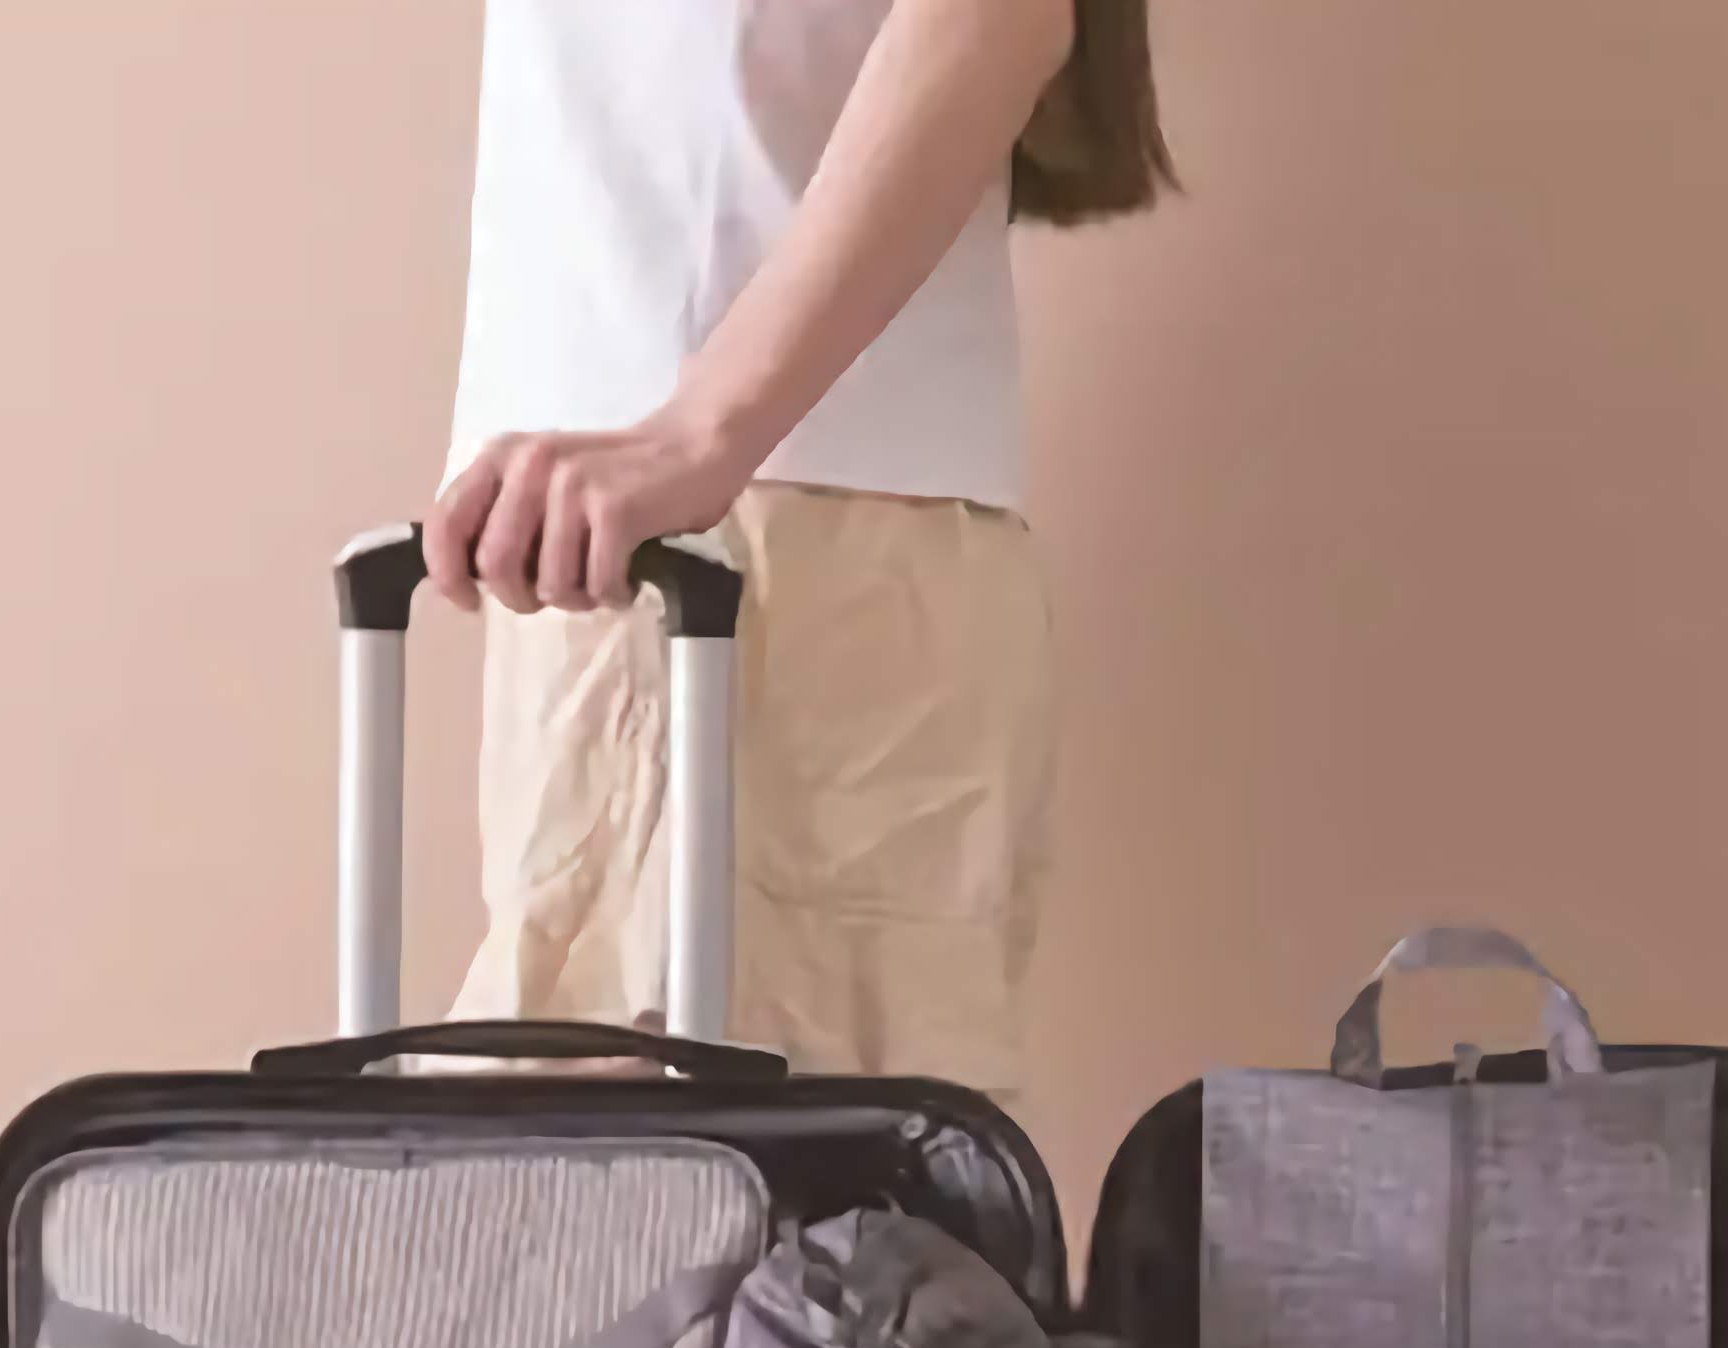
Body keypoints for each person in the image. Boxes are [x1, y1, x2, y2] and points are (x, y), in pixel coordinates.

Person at [430, 0, 1173, 1094]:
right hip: (664, 536)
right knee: (692, 1212)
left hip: (747, 550)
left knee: (734, 1216)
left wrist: (699, 428)